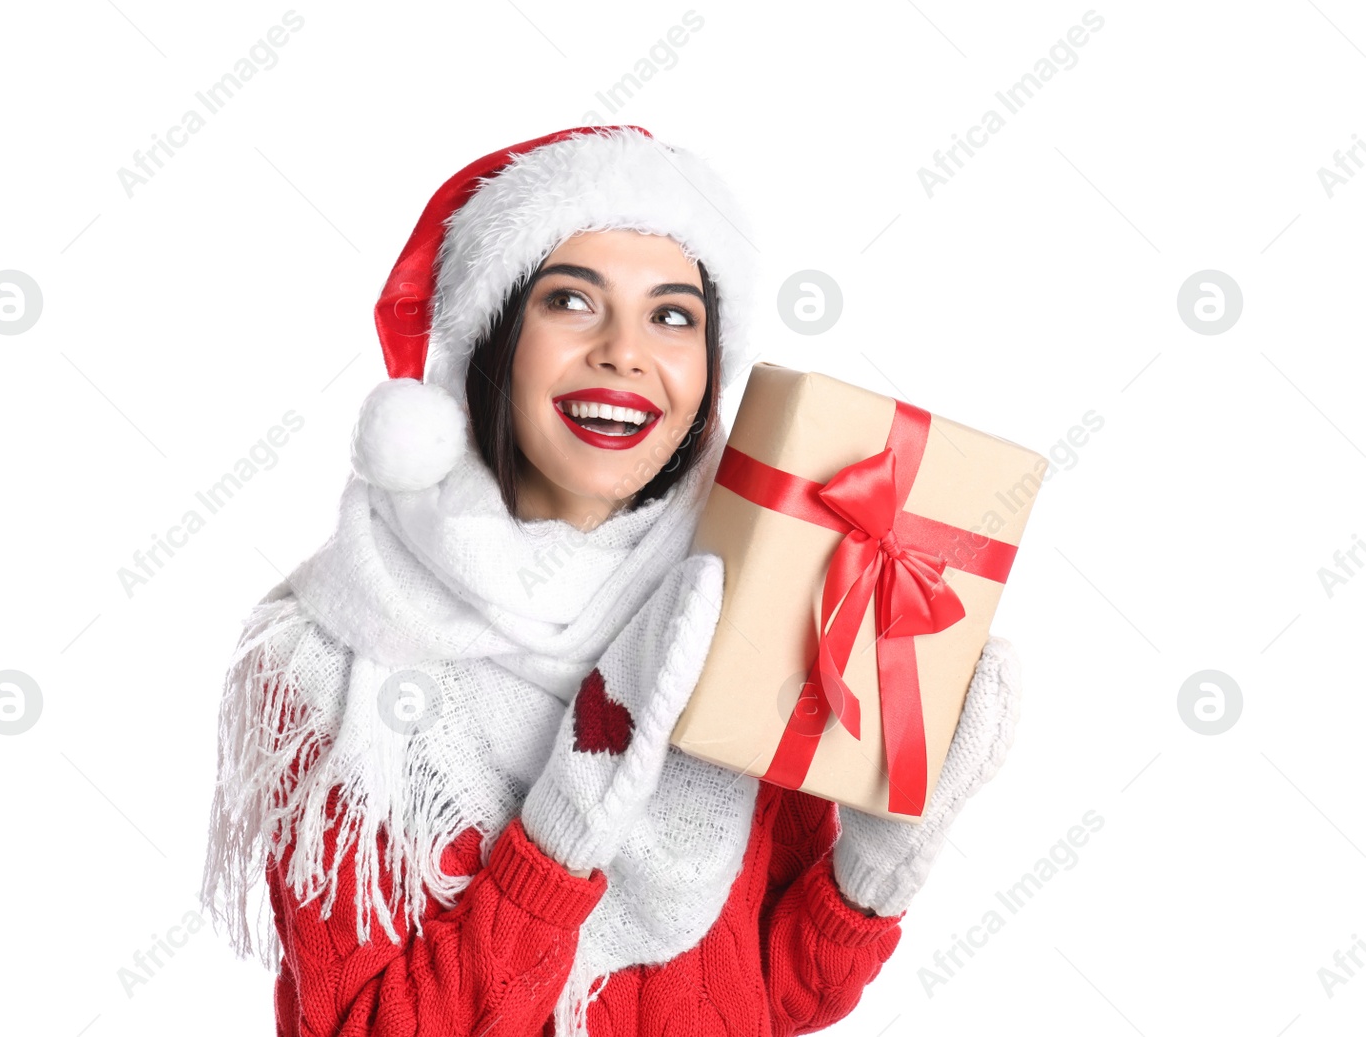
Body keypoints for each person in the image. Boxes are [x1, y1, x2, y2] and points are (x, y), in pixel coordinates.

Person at [199, 126, 1024, 1037]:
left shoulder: (753, 603)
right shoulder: (326, 654)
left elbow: (766, 1000)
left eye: (674, 315)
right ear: (495, 338)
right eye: (571, 302)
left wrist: (871, 873)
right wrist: (557, 836)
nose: (626, 352)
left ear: (710, 372)